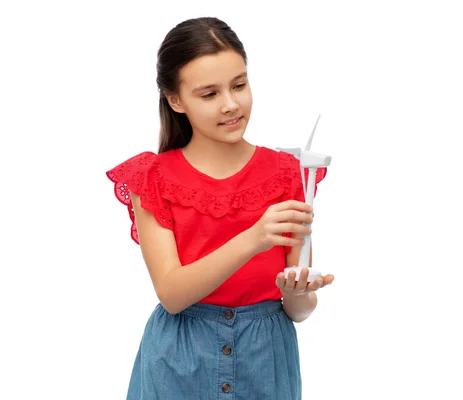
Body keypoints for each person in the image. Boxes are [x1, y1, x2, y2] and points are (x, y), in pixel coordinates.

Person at [106, 16, 334, 400]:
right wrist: (253, 238)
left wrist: (299, 291)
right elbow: (173, 294)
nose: (231, 104)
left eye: (239, 85)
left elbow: (299, 309)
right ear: (175, 100)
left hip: (266, 360)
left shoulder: (287, 174)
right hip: (179, 360)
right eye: (209, 94)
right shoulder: (153, 177)